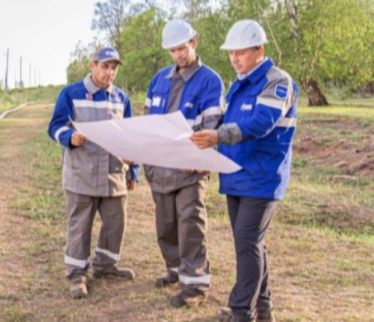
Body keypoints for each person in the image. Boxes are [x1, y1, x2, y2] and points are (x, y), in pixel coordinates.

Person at [190, 20, 299, 322]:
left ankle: (241, 312)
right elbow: (226, 126)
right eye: (231, 53)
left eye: (241, 52)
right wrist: (208, 155)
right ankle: (263, 309)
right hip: (235, 176)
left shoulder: (277, 81)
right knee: (249, 244)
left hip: (263, 179)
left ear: (259, 50)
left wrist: (218, 137)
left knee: (248, 243)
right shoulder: (237, 85)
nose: (234, 59)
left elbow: (261, 123)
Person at [47, 46, 140, 299]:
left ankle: (105, 266)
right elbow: (54, 127)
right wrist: (69, 137)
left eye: (114, 68)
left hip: (113, 174)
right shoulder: (71, 94)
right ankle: (77, 275)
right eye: (105, 66)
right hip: (82, 174)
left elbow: (130, 138)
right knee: (80, 226)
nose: (110, 72)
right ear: (93, 65)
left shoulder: (122, 98)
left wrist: (134, 170)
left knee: (115, 224)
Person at [144, 19, 224, 308]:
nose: (178, 55)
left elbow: (212, 124)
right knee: (165, 224)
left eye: (182, 48)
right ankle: (175, 270)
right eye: (173, 50)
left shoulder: (210, 80)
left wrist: (200, 159)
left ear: (194, 43)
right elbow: (148, 120)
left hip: (190, 169)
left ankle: (195, 286)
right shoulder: (159, 80)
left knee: (190, 224)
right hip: (160, 168)